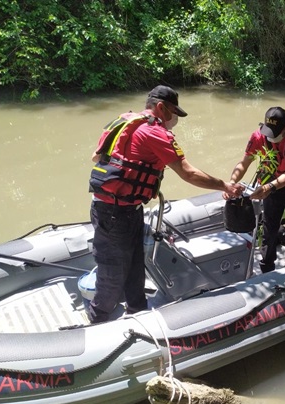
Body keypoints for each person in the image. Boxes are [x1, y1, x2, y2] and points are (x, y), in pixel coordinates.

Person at [87, 85, 243, 323]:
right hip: (115, 211)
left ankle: (137, 310)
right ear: (161, 107)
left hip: (120, 207)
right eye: (174, 112)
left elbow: (97, 157)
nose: (175, 119)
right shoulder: (154, 132)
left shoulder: (124, 121)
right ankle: (98, 319)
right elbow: (188, 173)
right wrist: (225, 186)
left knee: (135, 262)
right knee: (113, 270)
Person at [225, 106, 285, 273]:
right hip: (272, 188)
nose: (271, 137)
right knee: (269, 228)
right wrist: (231, 182)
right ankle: (267, 266)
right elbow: (244, 163)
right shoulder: (258, 137)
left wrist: (269, 187)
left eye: (275, 133)